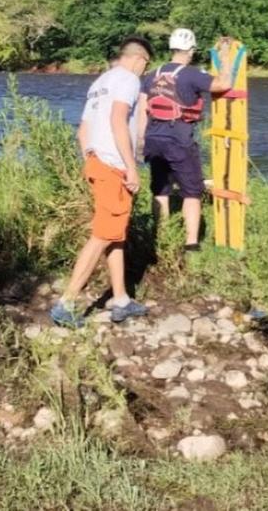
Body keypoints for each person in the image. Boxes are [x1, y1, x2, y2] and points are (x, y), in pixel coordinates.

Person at [51, 36, 154, 328]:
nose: (144, 72)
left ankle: (120, 297)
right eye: (145, 66)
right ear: (138, 59)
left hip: (96, 162)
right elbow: (118, 120)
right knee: (102, 235)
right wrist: (131, 167)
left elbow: (83, 132)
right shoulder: (129, 80)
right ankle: (67, 303)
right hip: (113, 166)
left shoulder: (99, 83)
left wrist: (91, 161)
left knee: (115, 233)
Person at [138, 29, 234, 255]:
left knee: (160, 189)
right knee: (192, 190)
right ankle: (191, 243)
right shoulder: (191, 74)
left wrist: (141, 142)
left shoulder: (151, 75)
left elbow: (143, 111)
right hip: (178, 138)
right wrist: (225, 59)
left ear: (171, 49)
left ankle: (160, 235)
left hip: (152, 138)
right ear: (190, 50)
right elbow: (223, 84)